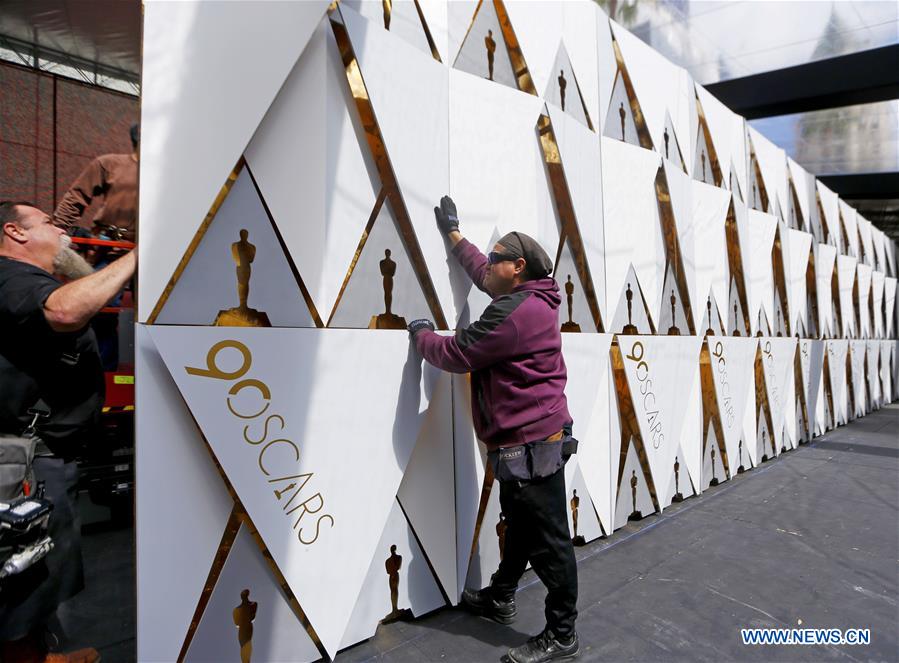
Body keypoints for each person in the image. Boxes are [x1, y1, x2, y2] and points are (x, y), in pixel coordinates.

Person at [408, 196, 579, 663]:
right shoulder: (529, 298)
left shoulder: (516, 314)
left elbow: (459, 353)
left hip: (529, 445)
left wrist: (421, 334)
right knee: (521, 526)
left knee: (549, 542)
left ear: (518, 267)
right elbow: (484, 272)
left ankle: (562, 633)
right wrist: (454, 235)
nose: (490, 264)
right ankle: (502, 595)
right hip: (528, 440)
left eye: (498, 256)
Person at [0, 201, 136, 662]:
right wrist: (140, 255)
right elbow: (62, 312)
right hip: (28, 458)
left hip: (43, 453)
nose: (65, 235)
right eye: (49, 226)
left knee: (37, 568)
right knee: (21, 575)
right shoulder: (10, 275)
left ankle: (40, 654)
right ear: (15, 232)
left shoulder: (27, 281)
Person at [53, 124, 139, 242]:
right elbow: (76, 197)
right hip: (107, 248)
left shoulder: (166, 173)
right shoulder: (109, 163)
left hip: (149, 251)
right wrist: (57, 230)